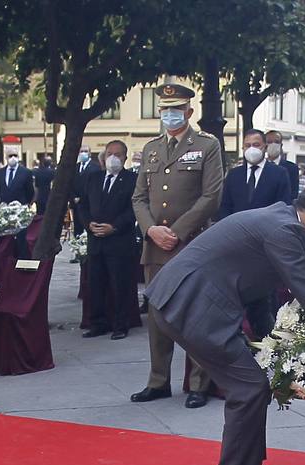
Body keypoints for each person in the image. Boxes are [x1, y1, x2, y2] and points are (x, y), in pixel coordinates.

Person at [146, 183, 305, 465]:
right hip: (190, 305)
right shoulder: (287, 231)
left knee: (253, 383)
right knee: (249, 387)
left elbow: (262, 290)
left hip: (192, 300)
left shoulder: (280, 220)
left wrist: (270, 343)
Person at [130, 82, 225, 409]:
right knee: (157, 317)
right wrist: (151, 230)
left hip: (192, 244)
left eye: (176, 109)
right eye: (165, 110)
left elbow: (211, 196)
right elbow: (139, 197)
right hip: (156, 246)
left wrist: (179, 231)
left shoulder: (206, 146)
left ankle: (199, 383)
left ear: (189, 111)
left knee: (194, 315)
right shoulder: (152, 148)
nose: (169, 115)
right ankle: (158, 381)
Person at [219, 128, 293, 339]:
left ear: (265, 147)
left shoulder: (278, 174)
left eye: (256, 145)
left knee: (264, 300)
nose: (252, 149)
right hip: (236, 246)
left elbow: (283, 207)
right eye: (247, 145)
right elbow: (225, 208)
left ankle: (267, 340)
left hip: (265, 247)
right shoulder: (233, 176)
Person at [82, 139, 141, 340]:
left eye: (118, 154)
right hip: (96, 241)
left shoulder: (132, 180)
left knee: (119, 285)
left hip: (119, 242)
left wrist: (114, 227)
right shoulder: (93, 178)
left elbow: (134, 209)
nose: (113, 158)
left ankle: (121, 325)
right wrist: (89, 224)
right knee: (96, 285)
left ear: (125, 157)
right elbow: (82, 205)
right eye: (109, 154)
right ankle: (98, 323)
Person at [71, 146, 101, 234]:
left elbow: (95, 186)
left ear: (89, 153)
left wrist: (84, 198)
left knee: (89, 227)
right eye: (81, 151)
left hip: (89, 203)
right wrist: (74, 197)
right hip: (76, 203)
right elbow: (70, 184)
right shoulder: (75, 167)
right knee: (77, 228)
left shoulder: (96, 167)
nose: (83, 153)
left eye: (85, 151)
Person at [264, 130, 299, 199]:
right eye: (269, 142)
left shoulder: (292, 168)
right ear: (265, 145)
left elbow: (293, 194)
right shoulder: (259, 166)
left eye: (276, 142)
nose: (273, 144)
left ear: (281, 145)